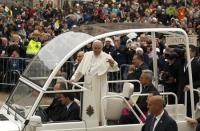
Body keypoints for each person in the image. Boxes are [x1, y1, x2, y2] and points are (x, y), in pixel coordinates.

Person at [71, 40, 119, 122]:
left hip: (100, 84)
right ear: (92, 47)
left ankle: (100, 121)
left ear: (102, 47)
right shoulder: (87, 55)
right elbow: (80, 69)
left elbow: (115, 67)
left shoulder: (106, 56)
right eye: (95, 48)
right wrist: (73, 79)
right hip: (88, 83)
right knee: (89, 102)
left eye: (98, 48)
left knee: (100, 103)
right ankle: (88, 120)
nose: (96, 50)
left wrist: (112, 63)